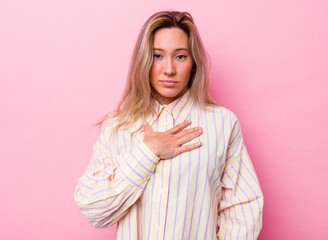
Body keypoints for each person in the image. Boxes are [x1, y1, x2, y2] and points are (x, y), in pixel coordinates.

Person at [74, 10, 263, 240]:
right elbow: (95, 210)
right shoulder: (118, 127)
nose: (169, 69)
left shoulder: (222, 123)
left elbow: (244, 210)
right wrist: (148, 152)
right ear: (144, 61)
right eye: (157, 55)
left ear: (194, 63)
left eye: (180, 56)